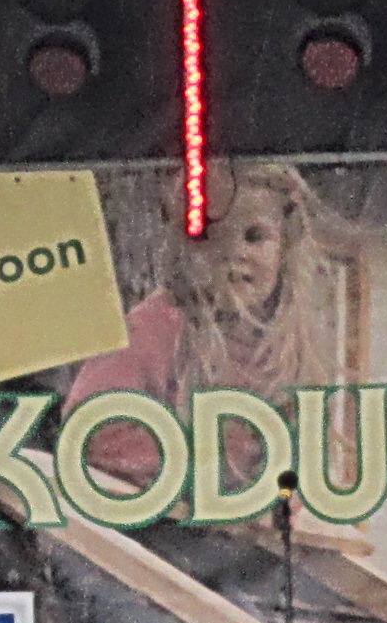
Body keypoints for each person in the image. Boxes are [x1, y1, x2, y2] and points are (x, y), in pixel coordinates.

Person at [63, 162, 342, 495]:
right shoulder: (154, 329)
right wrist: (199, 462)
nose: (235, 252)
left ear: (285, 249)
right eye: (214, 237)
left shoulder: (290, 348)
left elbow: (300, 464)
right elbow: (89, 431)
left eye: (254, 237)